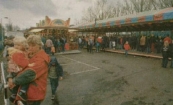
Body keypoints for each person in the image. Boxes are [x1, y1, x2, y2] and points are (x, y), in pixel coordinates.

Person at [8, 35, 50, 105]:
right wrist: (9, 76)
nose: (30, 48)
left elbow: (29, 74)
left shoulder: (42, 59)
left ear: (39, 46)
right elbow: (16, 65)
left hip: (33, 94)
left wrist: (13, 81)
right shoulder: (29, 54)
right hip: (24, 93)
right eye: (29, 45)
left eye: (33, 45)